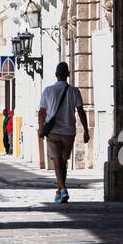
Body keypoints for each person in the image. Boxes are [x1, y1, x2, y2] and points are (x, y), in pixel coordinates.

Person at [38, 61, 89, 204]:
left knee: (57, 161)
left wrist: (41, 128)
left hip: (53, 132)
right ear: (68, 75)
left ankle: (63, 189)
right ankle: (60, 190)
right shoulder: (74, 91)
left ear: (55, 75)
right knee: (63, 160)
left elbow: (42, 112)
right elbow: (81, 111)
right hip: (69, 132)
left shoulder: (48, 90)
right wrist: (86, 130)